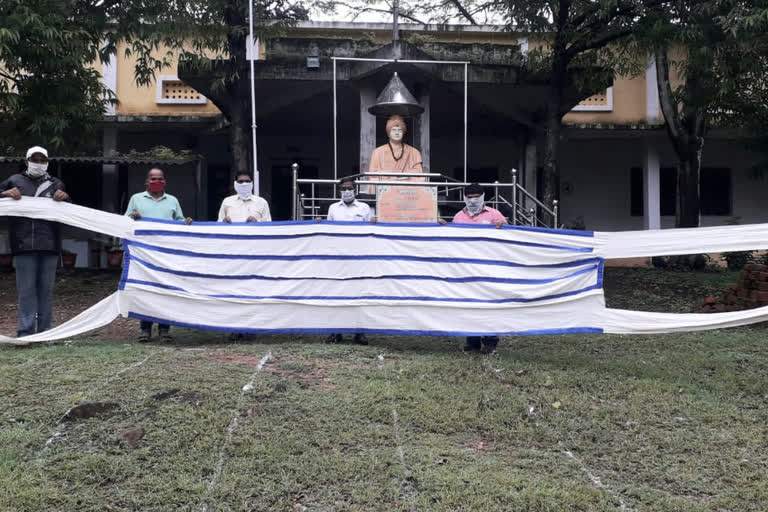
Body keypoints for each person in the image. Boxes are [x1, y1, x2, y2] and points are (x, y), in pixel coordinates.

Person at [0, 146, 70, 337]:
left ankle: (45, 331)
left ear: (47, 162)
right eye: (35, 159)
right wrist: (5, 195)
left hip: (49, 244)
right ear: (26, 160)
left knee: (46, 290)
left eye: (42, 160)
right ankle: (26, 331)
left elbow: (69, 212)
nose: (38, 164)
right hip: (23, 244)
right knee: (26, 290)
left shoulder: (56, 184)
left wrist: (65, 198)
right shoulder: (14, 181)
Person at [125, 168, 192, 342]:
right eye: (153, 178)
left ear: (165, 181)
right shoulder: (136, 199)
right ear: (147, 181)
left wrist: (186, 223)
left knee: (166, 290)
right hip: (143, 253)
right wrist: (134, 217)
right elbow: (125, 221)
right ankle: (145, 329)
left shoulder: (172, 200)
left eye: (160, 178)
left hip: (166, 253)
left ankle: (164, 329)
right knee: (145, 290)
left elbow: (179, 222)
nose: (157, 181)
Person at [452, 183, 507, 354]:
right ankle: (472, 340)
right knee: (469, 303)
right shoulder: (458, 217)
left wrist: (502, 227)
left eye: (476, 196)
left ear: (483, 197)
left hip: (488, 267)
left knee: (489, 304)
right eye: (469, 197)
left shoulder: (494, 214)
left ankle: (490, 341)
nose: (473, 200)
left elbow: (509, 236)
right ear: (464, 198)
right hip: (466, 268)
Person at [217, 171, 271, 341]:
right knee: (234, 290)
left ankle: (251, 327)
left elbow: (270, 227)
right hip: (233, 253)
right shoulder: (227, 202)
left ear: (252, 183)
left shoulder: (261, 202)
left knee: (253, 289)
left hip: (254, 253)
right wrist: (224, 224)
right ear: (235, 183)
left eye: (247, 181)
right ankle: (234, 327)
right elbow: (218, 226)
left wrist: (258, 223)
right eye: (241, 181)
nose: (244, 184)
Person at [324, 176, 374, 346]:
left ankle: (359, 333)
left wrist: (375, 223)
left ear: (355, 190)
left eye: (349, 188)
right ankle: (335, 331)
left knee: (358, 295)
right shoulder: (333, 208)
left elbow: (371, 232)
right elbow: (327, 232)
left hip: (359, 258)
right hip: (337, 258)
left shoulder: (365, 207)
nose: (347, 191)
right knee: (336, 294)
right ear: (339, 191)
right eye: (344, 188)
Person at [363, 114, 424, 194]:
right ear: (388, 133)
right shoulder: (377, 152)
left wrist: (405, 176)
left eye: (399, 130)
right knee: (373, 181)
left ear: (403, 132)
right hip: (385, 189)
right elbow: (373, 176)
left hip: (407, 189)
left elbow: (420, 176)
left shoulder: (414, 152)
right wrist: (391, 176)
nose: (397, 133)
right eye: (394, 130)